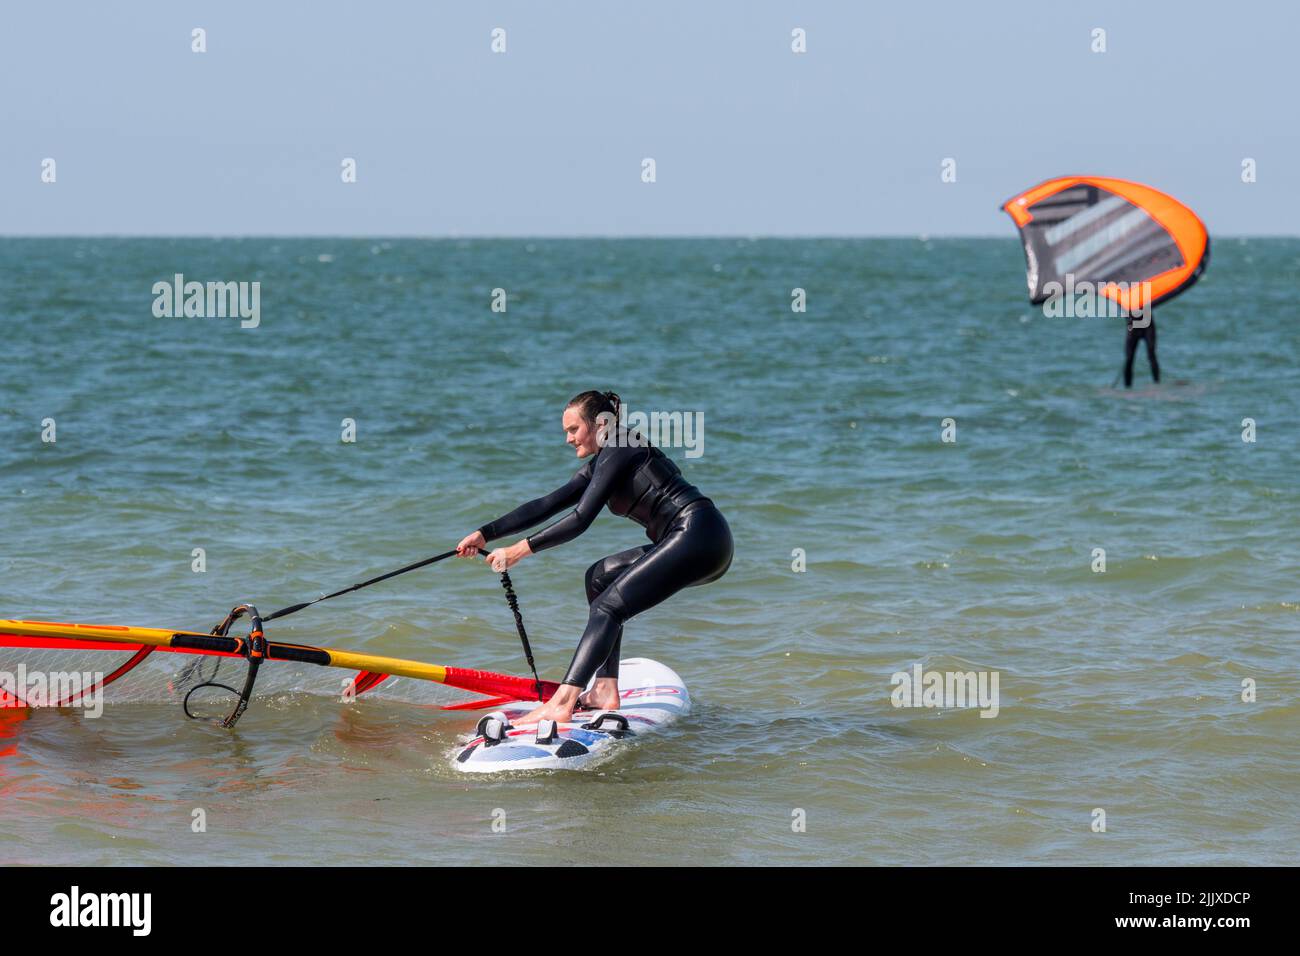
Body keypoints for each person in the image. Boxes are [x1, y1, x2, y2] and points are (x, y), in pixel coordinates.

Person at [457, 390, 732, 725]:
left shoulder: (621, 445)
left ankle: (563, 702)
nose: (569, 439)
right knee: (600, 577)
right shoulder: (605, 460)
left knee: (607, 608)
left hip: (698, 534)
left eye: (573, 430)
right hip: (694, 539)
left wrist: (518, 550)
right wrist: (486, 533)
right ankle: (604, 688)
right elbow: (548, 503)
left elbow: (580, 519)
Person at [1123, 308, 1159, 388]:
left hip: (1147, 323)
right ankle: (1127, 387)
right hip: (1133, 324)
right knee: (1129, 358)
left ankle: (1157, 384)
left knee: (1151, 355)